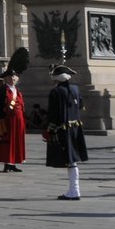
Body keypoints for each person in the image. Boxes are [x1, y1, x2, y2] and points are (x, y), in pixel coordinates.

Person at [45, 63, 88, 200]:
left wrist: (49, 130)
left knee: (69, 160)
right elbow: (80, 105)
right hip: (75, 128)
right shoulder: (75, 89)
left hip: (62, 128)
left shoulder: (55, 92)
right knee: (73, 160)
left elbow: (53, 114)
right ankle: (74, 189)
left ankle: (74, 190)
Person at [0, 48, 29, 172]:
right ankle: (6, 164)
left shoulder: (18, 90)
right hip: (7, 119)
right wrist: (0, 116)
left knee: (17, 142)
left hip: (19, 120)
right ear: (6, 78)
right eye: (11, 77)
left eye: (14, 77)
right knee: (7, 142)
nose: (13, 79)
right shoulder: (2, 90)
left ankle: (14, 162)